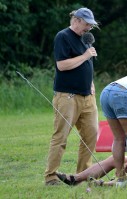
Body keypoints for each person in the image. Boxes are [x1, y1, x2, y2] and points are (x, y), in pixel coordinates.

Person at [44, 8, 100, 185]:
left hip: (87, 97)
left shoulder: (85, 40)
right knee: (61, 137)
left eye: (91, 25)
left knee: (91, 134)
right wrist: (85, 56)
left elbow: (87, 66)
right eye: (86, 24)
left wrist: (91, 84)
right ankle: (51, 177)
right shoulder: (63, 36)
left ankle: (82, 175)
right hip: (67, 97)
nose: (89, 28)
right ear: (76, 20)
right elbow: (62, 65)